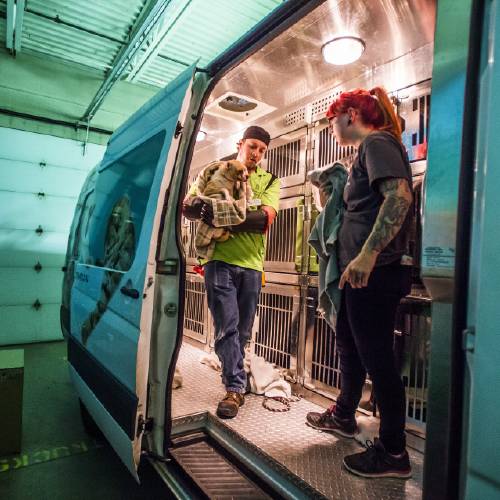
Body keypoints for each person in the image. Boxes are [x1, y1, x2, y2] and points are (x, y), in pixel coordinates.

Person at [305, 87, 414, 479]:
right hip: (360, 270)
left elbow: (398, 197)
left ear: (350, 114)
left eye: (332, 118)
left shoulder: (378, 142)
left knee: (377, 357)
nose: (330, 126)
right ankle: (344, 415)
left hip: (377, 269)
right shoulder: (367, 152)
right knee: (349, 343)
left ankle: (393, 452)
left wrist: (367, 255)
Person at [183, 126, 280, 418]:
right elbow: (189, 207)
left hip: (252, 265)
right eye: (253, 146)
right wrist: (203, 209)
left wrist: (215, 214)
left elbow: (263, 219)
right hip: (219, 260)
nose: (257, 154)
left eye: (262, 150)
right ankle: (235, 387)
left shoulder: (269, 180)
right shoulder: (215, 170)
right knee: (228, 325)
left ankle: (234, 372)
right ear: (240, 143)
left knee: (244, 330)